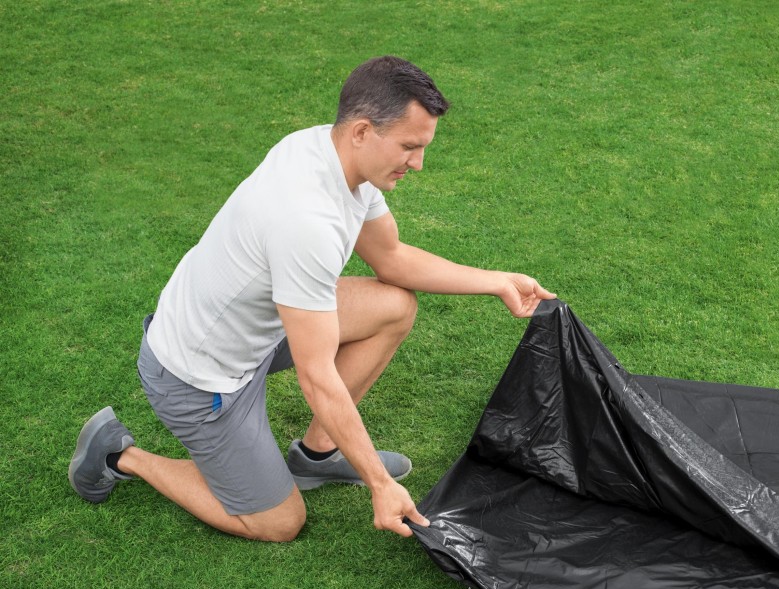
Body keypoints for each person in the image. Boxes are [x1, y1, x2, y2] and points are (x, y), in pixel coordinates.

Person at [68, 56, 555, 542]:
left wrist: (496, 281)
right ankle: (119, 454)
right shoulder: (306, 220)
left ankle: (317, 455)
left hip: (262, 326)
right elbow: (317, 377)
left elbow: (390, 257)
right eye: (409, 146)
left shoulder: (333, 154)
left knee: (393, 307)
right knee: (279, 522)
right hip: (199, 378)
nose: (418, 163)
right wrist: (380, 484)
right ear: (362, 131)